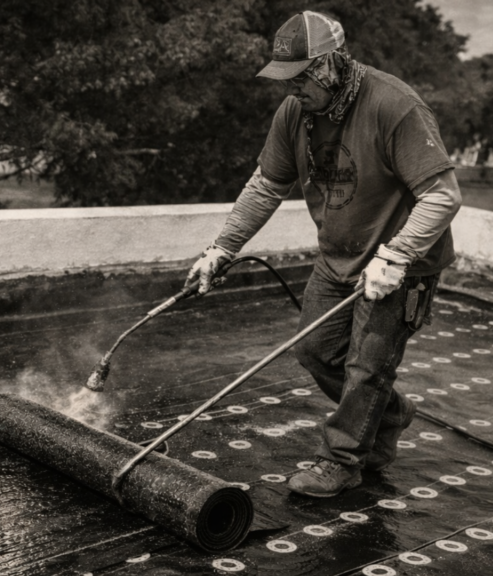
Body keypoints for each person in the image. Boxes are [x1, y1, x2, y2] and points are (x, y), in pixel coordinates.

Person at [185, 11, 462, 498]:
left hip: (403, 266)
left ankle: (342, 460)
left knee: (367, 367)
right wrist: (222, 247)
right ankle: (391, 413)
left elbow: (442, 196)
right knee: (314, 352)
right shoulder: (295, 113)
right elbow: (266, 185)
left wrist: (396, 256)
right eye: (285, 80)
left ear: (331, 64)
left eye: (300, 78)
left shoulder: (394, 106)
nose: (292, 90)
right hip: (338, 256)